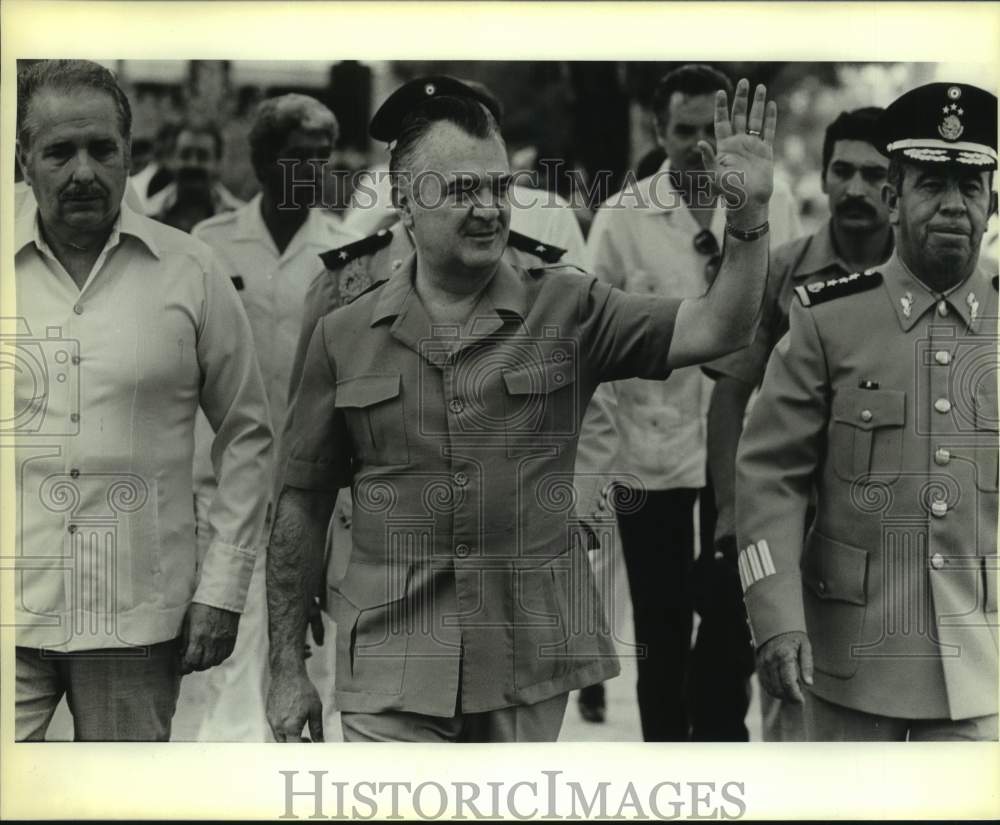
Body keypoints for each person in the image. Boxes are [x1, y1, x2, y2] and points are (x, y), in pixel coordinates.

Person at [265, 73, 778, 744]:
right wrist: (283, 666)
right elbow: (300, 498)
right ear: (403, 202)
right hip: (392, 658)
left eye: (498, 187)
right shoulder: (342, 326)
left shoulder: (568, 305)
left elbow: (720, 328)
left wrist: (746, 223)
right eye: (460, 190)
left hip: (526, 655)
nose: (488, 209)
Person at [12, 59, 273, 741]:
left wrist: (222, 587)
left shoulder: (191, 270)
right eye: (59, 151)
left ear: (130, 154)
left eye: (102, 149)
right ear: (22, 158)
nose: (83, 172)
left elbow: (247, 432)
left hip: (136, 621)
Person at [737, 82, 998, 741]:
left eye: (970, 188)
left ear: (992, 204)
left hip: (982, 670)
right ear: (893, 197)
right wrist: (776, 618)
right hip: (842, 663)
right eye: (931, 184)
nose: (952, 206)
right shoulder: (829, 319)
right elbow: (770, 477)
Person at [579, 64, 801, 741]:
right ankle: (669, 774)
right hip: (651, 462)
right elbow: (589, 340)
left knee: (734, 625)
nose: (702, 146)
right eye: (685, 131)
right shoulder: (622, 219)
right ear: (658, 131)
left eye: (712, 128)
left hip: (744, 456)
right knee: (662, 634)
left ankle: (720, 757)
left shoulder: (776, 201)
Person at [704, 106, 893, 740]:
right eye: (843, 171)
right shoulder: (782, 271)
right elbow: (731, 395)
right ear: (823, 175)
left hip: (884, 543)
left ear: (897, 185)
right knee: (793, 711)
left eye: (874, 174)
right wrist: (732, 520)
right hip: (792, 537)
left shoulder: (918, 280)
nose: (857, 189)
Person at [178, 94, 360, 742]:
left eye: (322, 157)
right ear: (261, 162)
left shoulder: (349, 252)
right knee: (223, 660)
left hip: (316, 488)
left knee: (307, 665)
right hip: (226, 486)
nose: (312, 169)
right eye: (296, 156)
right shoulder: (208, 245)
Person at [146, 121, 244, 232]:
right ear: (172, 159)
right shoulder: (148, 215)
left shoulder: (239, 218)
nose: (193, 164)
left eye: (202, 156)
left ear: (218, 162)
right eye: (185, 155)